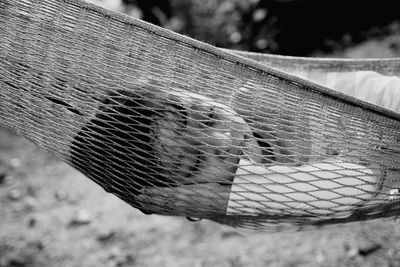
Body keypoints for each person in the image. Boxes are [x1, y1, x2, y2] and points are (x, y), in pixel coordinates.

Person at [134, 70, 400, 220]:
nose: (224, 141)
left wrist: (225, 200)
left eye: (209, 117)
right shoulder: (255, 193)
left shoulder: (263, 100)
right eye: (195, 163)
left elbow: (366, 180)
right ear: (190, 191)